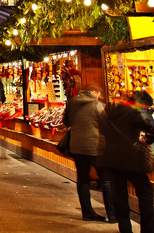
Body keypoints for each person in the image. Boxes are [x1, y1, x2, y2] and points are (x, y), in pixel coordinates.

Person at [97, 91, 154, 233]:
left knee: (120, 195)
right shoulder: (132, 113)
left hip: (111, 159)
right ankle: (148, 229)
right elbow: (149, 129)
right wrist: (146, 139)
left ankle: (125, 229)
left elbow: (101, 127)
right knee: (145, 191)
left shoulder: (108, 111)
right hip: (130, 159)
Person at [63, 82, 116, 223]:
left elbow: (66, 121)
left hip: (76, 147)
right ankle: (113, 214)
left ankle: (87, 213)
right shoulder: (96, 104)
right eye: (98, 94)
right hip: (94, 146)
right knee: (106, 178)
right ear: (94, 92)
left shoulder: (72, 103)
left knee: (83, 179)